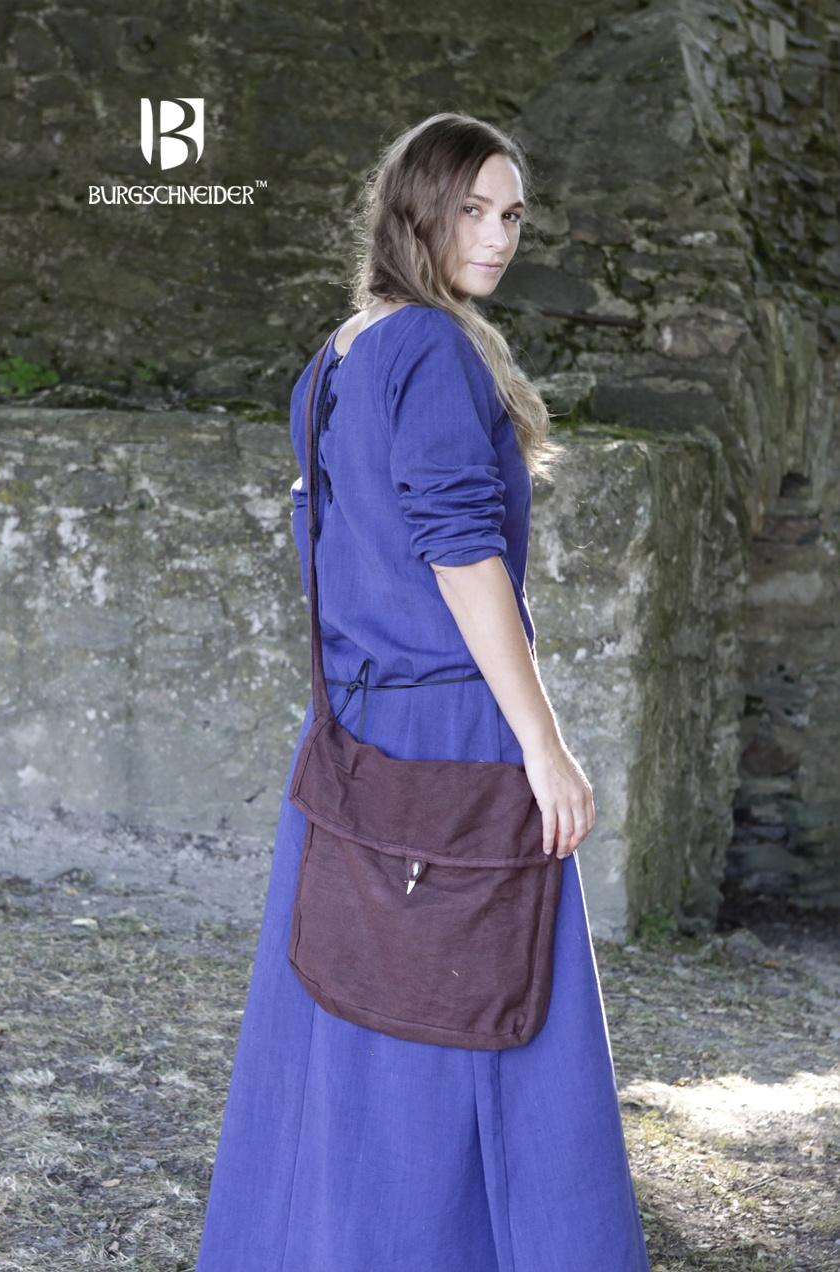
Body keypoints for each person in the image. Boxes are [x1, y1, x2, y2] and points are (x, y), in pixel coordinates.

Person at [195, 112, 651, 1271]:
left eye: (512, 216)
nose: (496, 237)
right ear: (414, 210)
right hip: (449, 723)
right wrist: (542, 743)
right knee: (484, 1020)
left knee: (358, 1011)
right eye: (471, 211)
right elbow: (460, 552)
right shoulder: (433, 351)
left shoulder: (337, 356)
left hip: (353, 728)